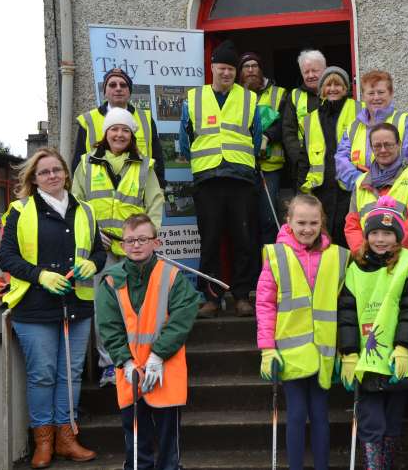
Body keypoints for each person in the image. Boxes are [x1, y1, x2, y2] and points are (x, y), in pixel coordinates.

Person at [0, 147, 105, 468]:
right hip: (34, 307)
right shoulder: (20, 210)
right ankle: (43, 441)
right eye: (43, 172)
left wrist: (93, 264)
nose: (52, 175)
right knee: (43, 375)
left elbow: (98, 252)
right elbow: (6, 257)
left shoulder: (85, 210)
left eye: (56, 169)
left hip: (76, 304)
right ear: (34, 178)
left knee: (70, 374)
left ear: (66, 174)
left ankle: (66, 438)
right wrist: (40, 275)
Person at [96, 213, 199, 470]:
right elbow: (109, 328)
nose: (136, 245)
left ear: (156, 242)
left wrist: (157, 355)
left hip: (166, 369)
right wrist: (126, 362)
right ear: (122, 245)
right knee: (135, 445)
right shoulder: (111, 281)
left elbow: (182, 318)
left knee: (168, 447)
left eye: (142, 239)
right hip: (129, 372)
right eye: (130, 240)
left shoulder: (172, 276)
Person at [256, 193, 350, 470]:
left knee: (320, 415)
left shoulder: (337, 256)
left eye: (313, 223)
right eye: (301, 223)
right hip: (290, 353)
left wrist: (348, 350)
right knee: (296, 415)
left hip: (323, 351)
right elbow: (265, 305)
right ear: (288, 221)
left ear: (322, 222)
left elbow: (346, 307)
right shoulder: (276, 255)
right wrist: (267, 349)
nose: (307, 229)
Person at [72, 106, 164, 387]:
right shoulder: (86, 164)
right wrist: (90, 235)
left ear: (132, 135)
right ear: (105, 133)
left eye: (125, 130)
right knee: (105, 309)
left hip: (133, 251)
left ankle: (139, 359)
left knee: (136, 307)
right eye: (114, 129)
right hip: (100, 251)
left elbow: (155, 204)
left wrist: (145, 239)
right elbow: (76, 204)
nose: (119, 134)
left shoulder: (144, 166)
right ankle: (110, 365)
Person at [337, 195, 408, 470]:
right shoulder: (356, 267)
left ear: (398, 236)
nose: (380, 239)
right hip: (367, 360)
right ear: (366, 236)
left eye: (387, 233)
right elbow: (347, 313)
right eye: (374, 233)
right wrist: (349, 353)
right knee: (371, 423)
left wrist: (403, 347)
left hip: (395, 358)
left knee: (393, 423)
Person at [183, 39, 261, 317]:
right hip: (207, 180)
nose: (226, 73)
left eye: (231, 68)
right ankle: (212, 298)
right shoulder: (194, 98)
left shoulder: (249, 99)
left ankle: (242, 295)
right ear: (212, 68)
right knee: (210, 240)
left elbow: (256, 137)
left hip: (241, 179)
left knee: (244, 239)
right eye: (222, 67)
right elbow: (185, 141)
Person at [298, 66, 362, 246]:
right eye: (328, 85)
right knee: (323, 241)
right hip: (322, 189)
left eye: (338, 84)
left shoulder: (360, 111)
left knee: (350, 238)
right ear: (321, 89)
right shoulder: (310, 119)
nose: (333, 89)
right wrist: (301, 191)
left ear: (346, 88)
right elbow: (304, 158)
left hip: (350, 188)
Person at [345, 122, 408, 254]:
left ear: (399, 144)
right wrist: (364, 255)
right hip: (368, 260)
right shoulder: (361, 182)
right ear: (371, 148)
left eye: (388, 144)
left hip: (403, 260)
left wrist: (389, 257)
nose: (383, 150)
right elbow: (352, 226)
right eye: (377, 146)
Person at [72, 67, 166, 186]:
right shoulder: (88, 120)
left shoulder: (145, 119)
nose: (118, 88)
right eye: (112, 85)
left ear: (129, 92)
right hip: (100, 190)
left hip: (138, 189)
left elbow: (157, 157)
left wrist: (160, 186)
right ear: (104, 92)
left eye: (123, 85)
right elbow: (78, 163)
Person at [335, 70, 408, 192]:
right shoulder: (353, 126)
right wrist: (360, 181)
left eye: (381, 92)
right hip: (362, 193)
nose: (376, 97)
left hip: (396, 193)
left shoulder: (403, 121)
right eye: (371, 93)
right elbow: (341, 159)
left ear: (391, 94)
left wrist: (396, 187)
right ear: (363, 96)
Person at [237, 51, 288, 246]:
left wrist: (267, 136)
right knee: (245, 223)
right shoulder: (234, 96)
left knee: (269, 220)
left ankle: (269, 262)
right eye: (246, 66)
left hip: (270, 168)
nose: (251, 70)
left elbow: (285, 124)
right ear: (240, 72)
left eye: (254, 66)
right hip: (241, 167)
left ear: (261, 69)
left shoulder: (279, 93)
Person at [282, 49, 326, 190]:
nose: (310, 75)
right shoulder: (294, 96)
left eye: (315, 71)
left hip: (333, 164)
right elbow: (288, 131)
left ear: (324, 70)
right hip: (304, 168)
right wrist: (299, 159)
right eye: (306, 72)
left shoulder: (335, 92)